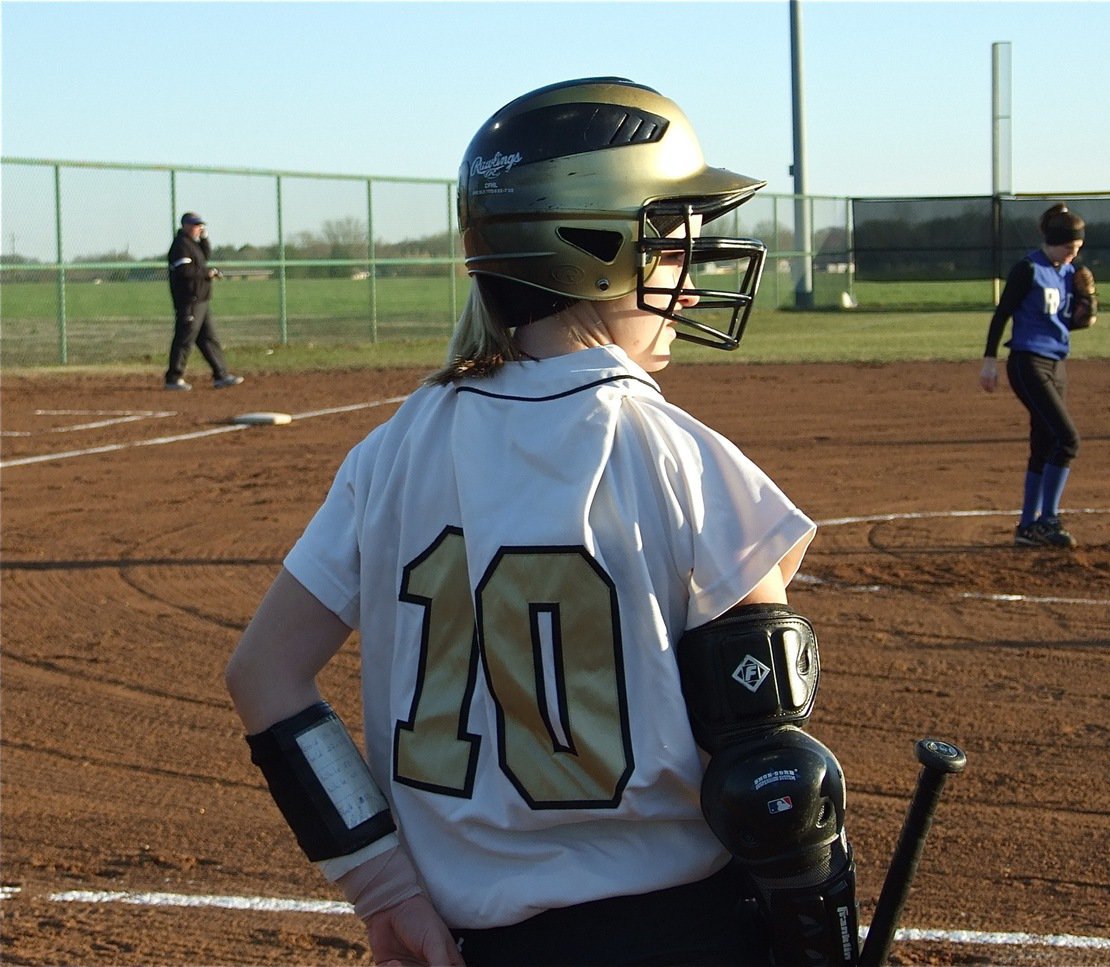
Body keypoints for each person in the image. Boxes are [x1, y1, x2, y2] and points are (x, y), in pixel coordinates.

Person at [226, 77, 861, 967]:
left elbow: (264, 674)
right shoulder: (678, 455)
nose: (688, 275)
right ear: (593, 247)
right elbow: (772, 781)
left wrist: (385, 888)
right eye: (671, 239)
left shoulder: (390, 451)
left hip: (468, 942)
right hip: (678, 933)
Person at [980, 202, 1097, 549]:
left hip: (1056, 363)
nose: (1074, 255)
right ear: (1056, 242)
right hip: (1027, 361)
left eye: (1077, 249)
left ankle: (1028, 527)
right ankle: (1048, 519)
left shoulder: (1067, 273)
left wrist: (1086, 305)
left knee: (1044, 442)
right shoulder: (1028, 269)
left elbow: (1067, 322)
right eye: (1071, 248)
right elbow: (1002, 314)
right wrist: (989, 360)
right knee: (1068, 439)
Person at [164, 212, 243, 390]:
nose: (198, 228)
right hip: (189, 300)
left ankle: (221, 375)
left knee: (208, 338)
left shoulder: (194, 244)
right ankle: (173, 378)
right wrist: (206, 274)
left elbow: (204, 256)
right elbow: (184, 271)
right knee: (184, 338)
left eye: (200, 225)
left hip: (201, 300)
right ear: (184, 226)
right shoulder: (181, 245)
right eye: (194, 225)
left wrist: (205, 239)